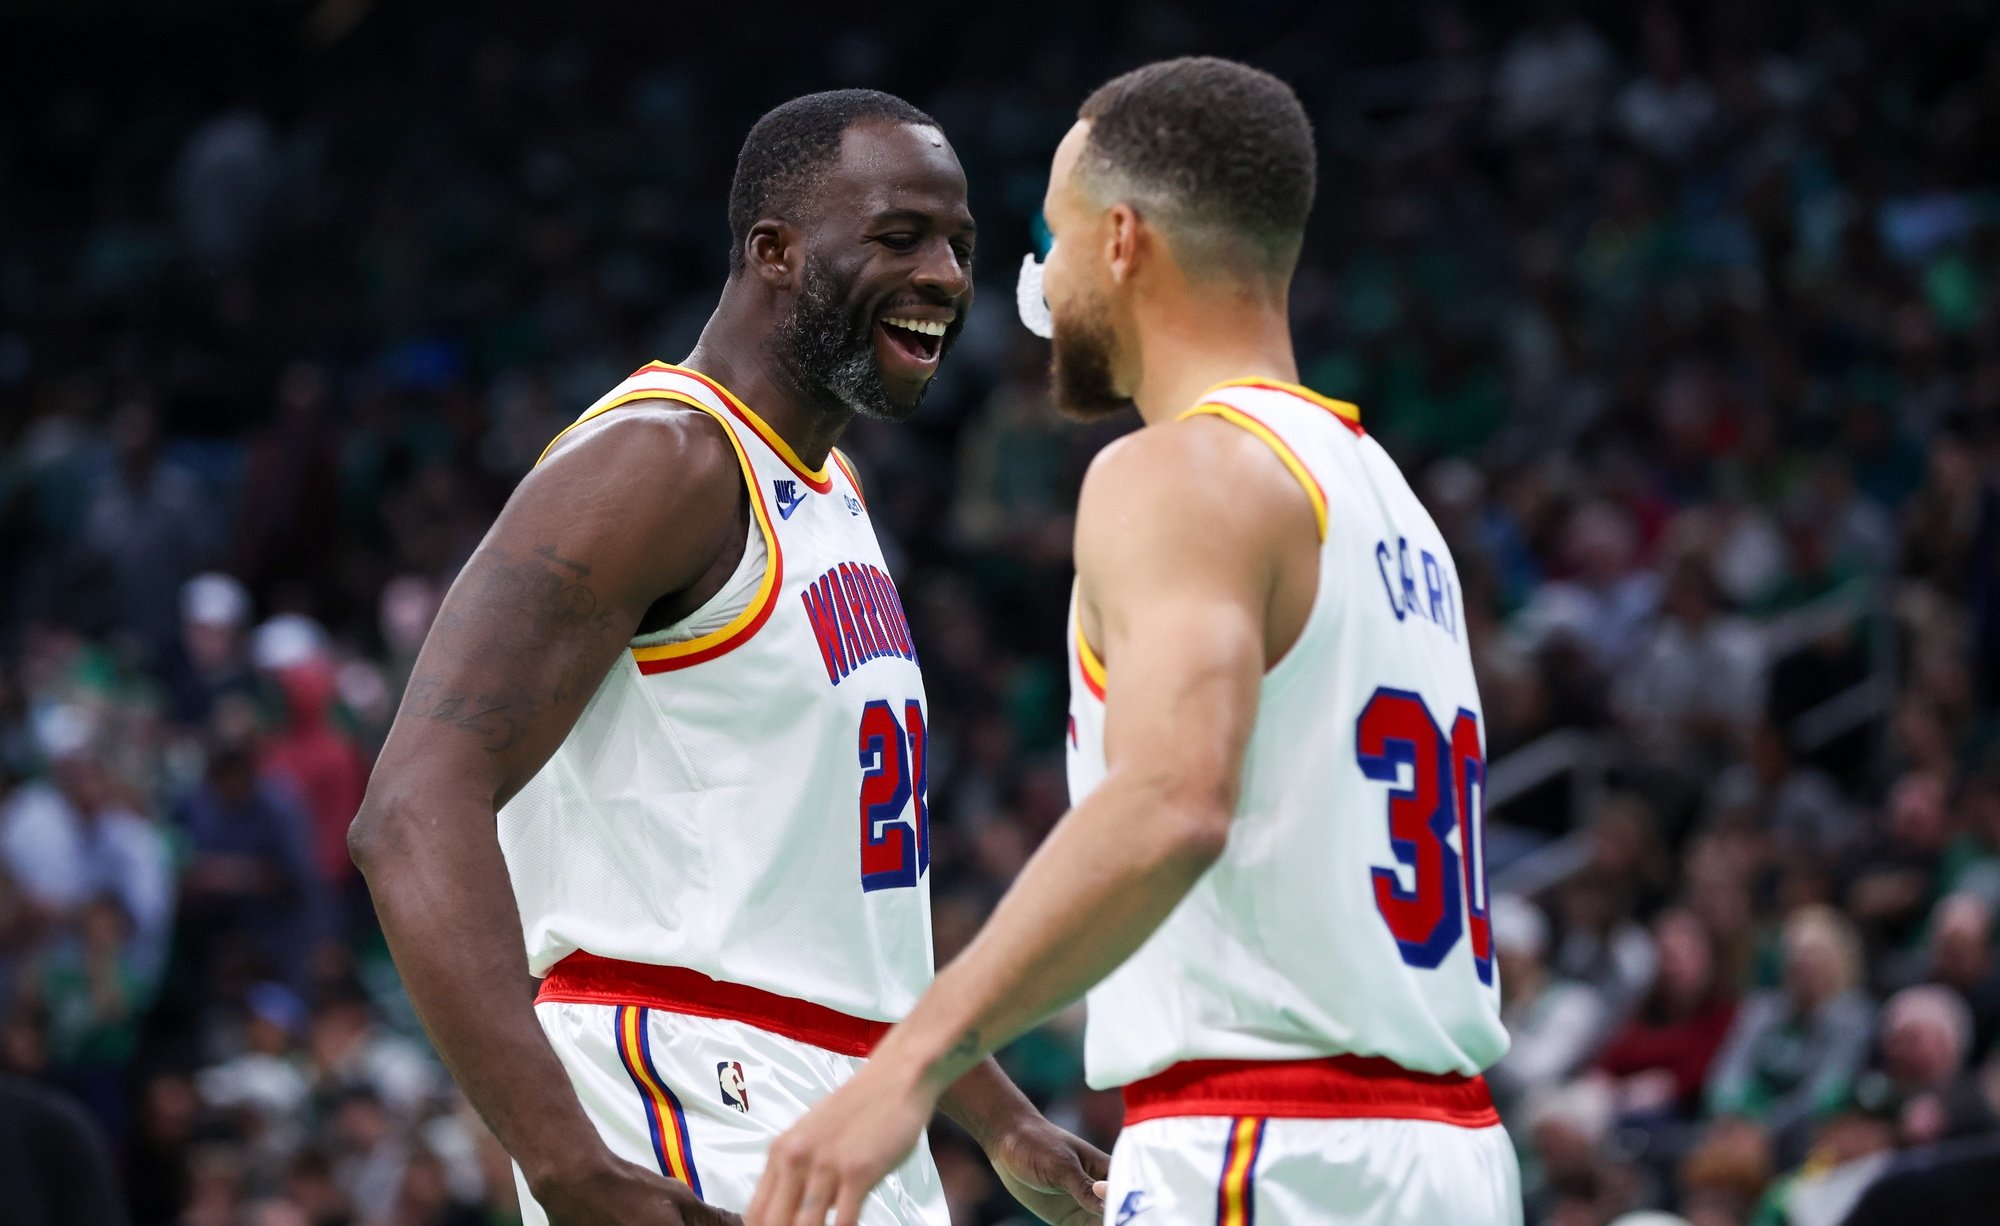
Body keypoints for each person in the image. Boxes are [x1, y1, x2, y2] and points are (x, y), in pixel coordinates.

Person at [750, 58, 1518, 1226]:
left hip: (1268, 1144)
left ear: (1118, 240)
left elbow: (1172, 799)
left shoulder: (1174, 470)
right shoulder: (1381, 495)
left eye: (1046, 238)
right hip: (1448, 1149)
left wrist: (904, 1066)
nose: (1032, 281)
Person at [347, 90, 1104, 1226]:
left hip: (846, 1102)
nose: (947, 273)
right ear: (776, 252)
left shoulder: (832, 491)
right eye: (901, 235)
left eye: (959, 245)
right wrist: (565, 1160)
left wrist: (997, 1116)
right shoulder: (656, 462)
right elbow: (408, 809)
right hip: (690, 1090)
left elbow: (829, 903)